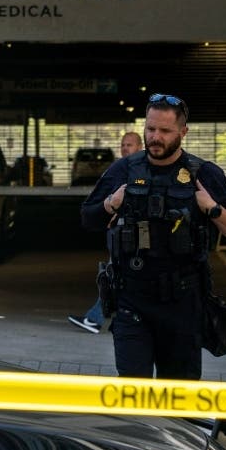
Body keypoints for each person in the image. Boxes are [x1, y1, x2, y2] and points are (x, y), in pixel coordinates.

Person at [80, 94, 226, 380]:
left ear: (183, 132)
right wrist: (112, 203)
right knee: (135, 397)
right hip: (132, 300)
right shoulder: (125, 170)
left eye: (165, 131)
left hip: (182, 304)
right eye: (150, 129)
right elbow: (88, 218)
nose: (155, 137)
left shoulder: (202, 172)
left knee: (178, 401)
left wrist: (213, 209)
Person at [68, 130, 144, 333]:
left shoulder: (143, 169)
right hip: (120, 231)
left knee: (116, 275)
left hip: (137, 232)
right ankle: (114, 319)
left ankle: (96, 319)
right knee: (122, 276)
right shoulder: (119, 169)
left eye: (130, 144)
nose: (125, 148)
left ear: (140, 147)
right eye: (123, 144)